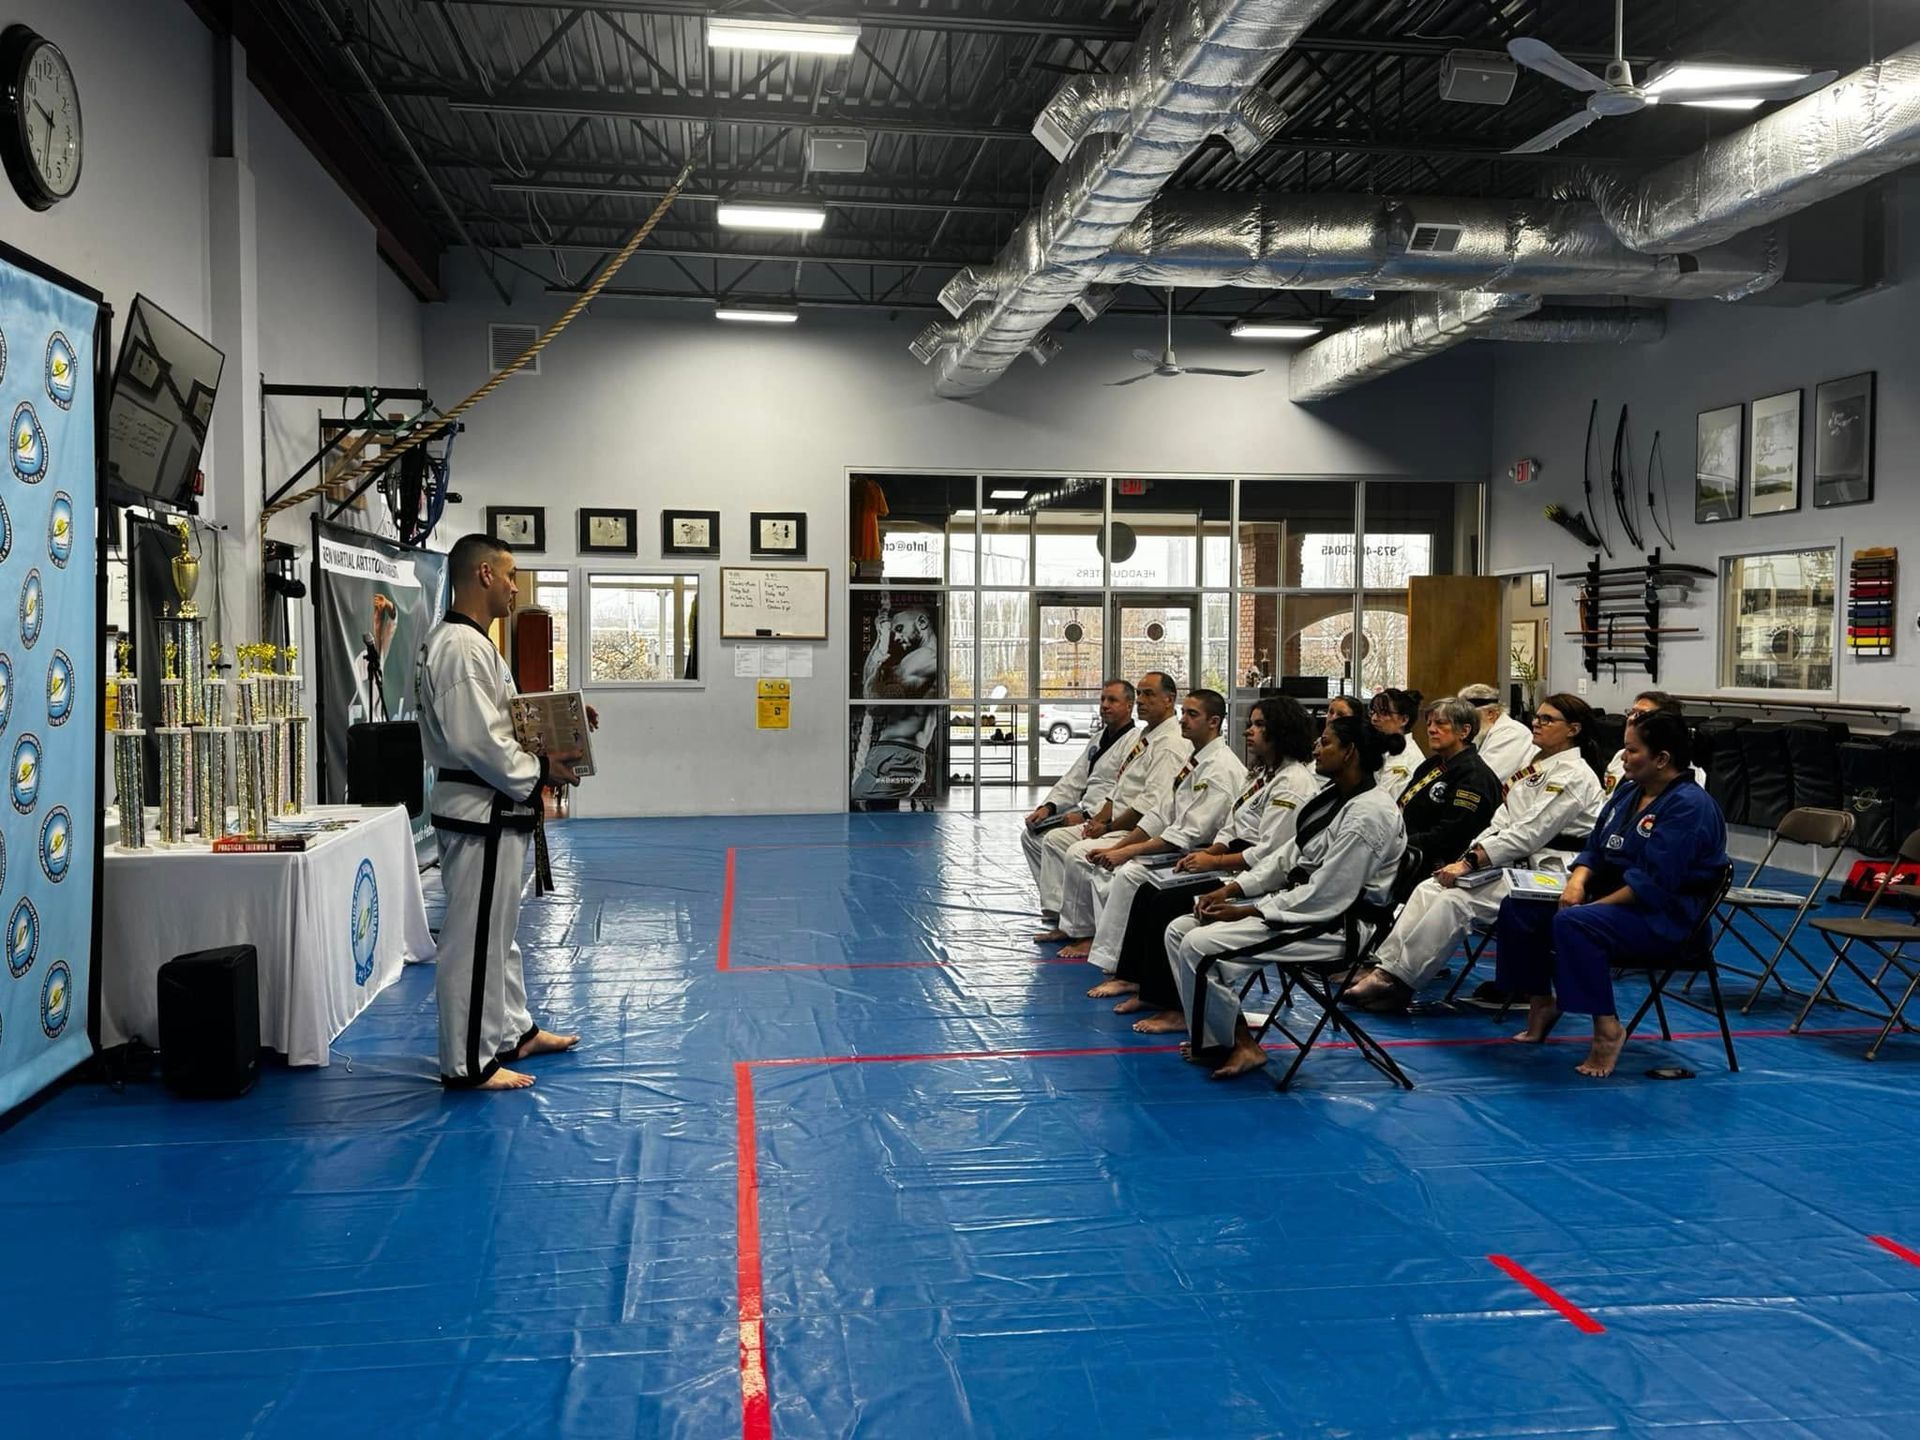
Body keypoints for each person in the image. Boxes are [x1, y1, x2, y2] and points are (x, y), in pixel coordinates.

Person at [416, 534, 584, 1091]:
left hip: (492, 809)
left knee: (498, 933)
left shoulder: (472, 644)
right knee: (473, 941)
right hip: (479, 809)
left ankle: (512, 1032)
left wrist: (558, 727)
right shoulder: (460, 648)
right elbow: (477, 741)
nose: (516, 587)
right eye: (510, 575)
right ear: (484, 574)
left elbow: (502, 722)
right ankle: (466, 1062)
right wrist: (540, 772)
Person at [1163, 712, 1407, 1079]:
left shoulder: (1369, 814)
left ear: (1350, 752)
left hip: (1336, 925)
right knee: (1180, 930)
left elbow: (1326, 895)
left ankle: (1238, 1044)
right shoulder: (1335, 797)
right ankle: (1230, 1037)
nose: (1316, 748)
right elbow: (1287, 856)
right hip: (1304, 908)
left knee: (1200, 947)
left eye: (1326, 742)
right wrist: (1232, 888)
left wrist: (1248, 912)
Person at [1496, 708, 1728, 1078]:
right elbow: (1596, 846)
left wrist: (1588, 907)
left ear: (1662, 759)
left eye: (1632, 751)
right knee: (1518, 907)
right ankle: (1542, 1002)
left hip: (1666, 918)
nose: (1622, 758)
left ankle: (1607, 1029)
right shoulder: (1630, 791)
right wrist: (1577, 882)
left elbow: (1652, 884)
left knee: (1574, 923)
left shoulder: (1689, 807)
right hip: (1612, 904)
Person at [1343, 694, 1607, 1013]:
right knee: (1432, 887)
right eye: (1537, 717)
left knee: (1456, 902)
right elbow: (1501, 822)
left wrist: (1471, 862)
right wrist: (1467, 858)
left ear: (1573, 730)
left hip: (1551, 874)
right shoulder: (1536, 770)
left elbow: (1530, 832)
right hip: (1513, 864)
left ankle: (1399, 982)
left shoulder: (1574, 774)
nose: (1536, 723)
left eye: (1547, 719)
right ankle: (1384, 967)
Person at [1115, 695, 1322, 1030]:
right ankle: (1146, 988)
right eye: (1250, 724)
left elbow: (1269, 853)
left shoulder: (1293, 782)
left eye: (1259, 725)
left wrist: (1215, 862)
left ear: (1281, 731)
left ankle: (1177, 1007)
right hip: (1230, 861)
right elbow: (1232, 821)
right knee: (1147, 890)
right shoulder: (1263, 773)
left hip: (1256, 878)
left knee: (1165, 904)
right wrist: (1213, 851)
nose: (1249, 732)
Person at [1077, 689, 1247, 975]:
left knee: (1130, 874)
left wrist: (1127, 852)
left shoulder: (1220, 768)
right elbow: (1161, 813)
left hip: (1202, 857)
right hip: (1181, 850)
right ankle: (1115, 960)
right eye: (1184, 713)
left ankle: (1123, 967)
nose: (1183, 720)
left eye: (1193, 715)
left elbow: (1187, 835)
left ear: (1214, 722)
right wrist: (1119, 848)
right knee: (1119, 868)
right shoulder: (1194, 760)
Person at [1035, 672, 1191, 944]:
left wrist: (1106, 829)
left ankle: (1087, 932)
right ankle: (1066, 919)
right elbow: (1117, 790)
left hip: (1140, 830)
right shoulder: (1146, 736)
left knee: (1079, 852)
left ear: (1169, 700)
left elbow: (1149, 806)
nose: (1141, 700)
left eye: (1148, 694)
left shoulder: (1170, 744)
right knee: (1056, 840)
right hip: (1114, 819)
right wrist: (1096, 821)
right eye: (1140, 693)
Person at [1022, 681, 1138, 927]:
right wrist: (1049, 807)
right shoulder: (1098, 739)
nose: (1105, 705)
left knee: (1053, 840)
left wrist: (1089, 817)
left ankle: (1068, 918)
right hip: (1085, 813)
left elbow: (1126, 793)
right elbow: (1074, 780)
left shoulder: (1135, 742)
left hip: (1109, 819)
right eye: (1103, 699)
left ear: (1129, 705)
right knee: (1031, 837)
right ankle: (1060, 908)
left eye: (1112, 700)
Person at [1396, 696, 1501, 885]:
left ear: (1464, 731)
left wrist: (1398, 845)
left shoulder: (1474, 776)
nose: (1431, 729)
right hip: (1405, 852)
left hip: (1438, 867)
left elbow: (1452, 835)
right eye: (1429, 723)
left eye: (1440, 723)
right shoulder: (1432, 765)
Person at [1604, 691, 1695, 790]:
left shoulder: (1686, 781)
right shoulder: (1619, 757)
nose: (1630, 719)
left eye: (1641, 714)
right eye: (1631, 713)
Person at [1460, 682, 1536, 784]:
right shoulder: (1484, 734)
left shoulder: (1511, 733)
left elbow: (1485, 778)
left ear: (1490, 714)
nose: (1464, 722)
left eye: (1469, 716)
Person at [1368, 687, 1424, 800]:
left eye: (1383, 713)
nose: (1374, 718)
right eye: (1373, 712)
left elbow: (1382, 801)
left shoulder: (1408, 759)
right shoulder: (1379, 747)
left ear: (1404, 720)